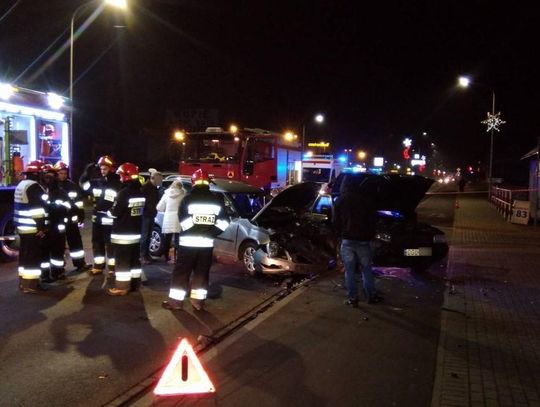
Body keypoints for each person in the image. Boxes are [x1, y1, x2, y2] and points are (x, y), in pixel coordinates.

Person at [162, 169, 229, 311]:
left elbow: (183, 220)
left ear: (193, 182)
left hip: (188, 244)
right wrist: (211, 232)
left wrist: (194, 230)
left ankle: (176, 303)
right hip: (206, 244)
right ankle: (198, 302)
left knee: (181, 273)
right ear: (208, 183)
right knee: (202, 273)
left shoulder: (187, 199)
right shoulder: (216, 200)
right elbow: (225, 222)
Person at [332, 175, 383, 307]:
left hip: (347, 241)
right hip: (363, 241)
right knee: (366, 269)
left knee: (349, 271)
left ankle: (352, 298)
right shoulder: (366, 200)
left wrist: (339, 235)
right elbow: (373, 220)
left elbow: (335, 222)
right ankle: (371, 296)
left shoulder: (340, 200)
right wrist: (371, 235)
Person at [79, 155, 122, 276]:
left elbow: (112, 201)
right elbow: (83, 185)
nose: (103, 171)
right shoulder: (97, 182)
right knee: (97, 242)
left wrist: (99, 208)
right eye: (101, 169)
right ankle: (98, 266)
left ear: (111, 169)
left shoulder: (116, 182)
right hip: (97, 219)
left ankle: (113, 268)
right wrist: (87, 172)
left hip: (109, 219)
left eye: (105, 169)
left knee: (110, 244)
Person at [107, 163, 145, 296]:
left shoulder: (124, 193)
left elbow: (115, 212)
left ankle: (122, 287)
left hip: (123, 235)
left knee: (122, 261)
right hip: (135, 234)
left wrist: (109, 211)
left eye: (120, 175)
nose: (119, 178)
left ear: (125, 176)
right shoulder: (140, 192)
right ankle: (134, 284)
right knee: (134, 260)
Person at [14, 160, 48, 293]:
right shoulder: (34, 187)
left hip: (22, 226)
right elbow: (37, 210)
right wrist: (41, 227)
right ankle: (31, 285)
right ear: (37, 174)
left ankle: (23, 281)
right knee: (32, 256)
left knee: (24, 254)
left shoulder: (21, 185)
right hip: (31, 226)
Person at [54, 161, 90, 273]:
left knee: (76, 243)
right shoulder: (54, 187)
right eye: (60, 173)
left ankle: (80, 263)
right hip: (59, 221)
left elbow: (79, 202)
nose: (63, 175)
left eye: (65, 173)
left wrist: (81, 214)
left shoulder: (72, 185)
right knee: (58, 245)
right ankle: (58, 269)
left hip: (71, 221)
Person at [40, 164, 70, 282]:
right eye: (47, 176)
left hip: (57, 226)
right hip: (44, 228)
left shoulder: (60, 192)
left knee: (57, 252)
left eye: (51, 176)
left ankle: (58, 273)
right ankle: (45, 275)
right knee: (44, 253)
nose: (49, 179)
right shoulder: (39, 190)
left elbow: (68, 206)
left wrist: (55, 207)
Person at [156, 179, 186, 263]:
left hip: (168, 219)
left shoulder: (166, 194)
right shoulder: (183, 194)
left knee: (167, 239)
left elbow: (159, 207)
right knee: (178, 239)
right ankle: (177, 258)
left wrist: (166, 209)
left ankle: (166, 257)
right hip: (178, 219)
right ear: (181, 186)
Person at [140, 168, 163, 264]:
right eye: (159, 180)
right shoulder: (145, 188)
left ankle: (146, 255)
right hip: (146, 215)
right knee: (145, 236)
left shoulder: (154, 188)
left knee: (148, 236)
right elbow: (143, 202)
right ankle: (142, 256)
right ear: (153, 179)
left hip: (151, 214)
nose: (160, 182)